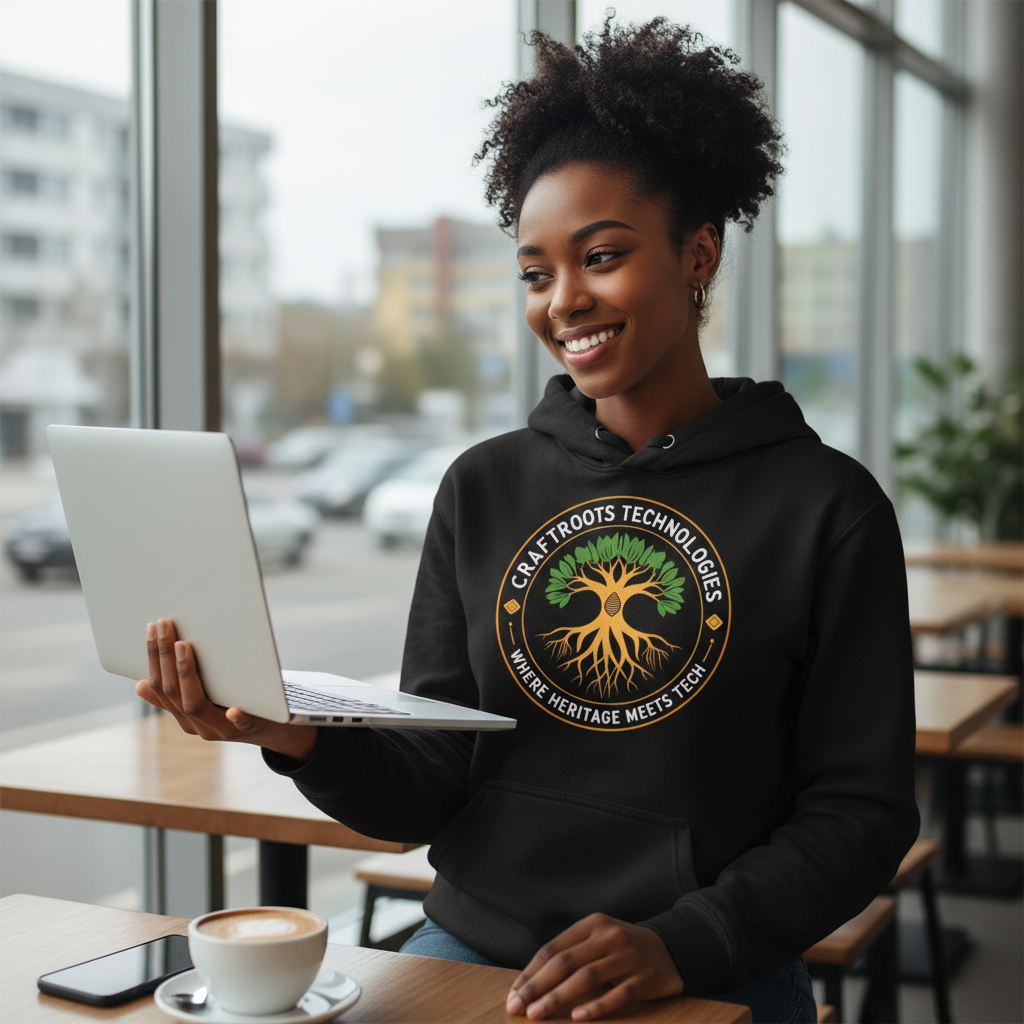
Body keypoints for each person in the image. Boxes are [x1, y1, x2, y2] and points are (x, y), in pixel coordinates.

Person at [137, 18, 919, 1024]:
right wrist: (299, 737)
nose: (563, 301)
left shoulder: (828, 507)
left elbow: (861, 812)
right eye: (535, 272)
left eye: (600, 256)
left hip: (714, 964)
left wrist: (684, 941)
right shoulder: (481, 487)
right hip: (476, 942)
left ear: (698, 254)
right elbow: (431, 782)